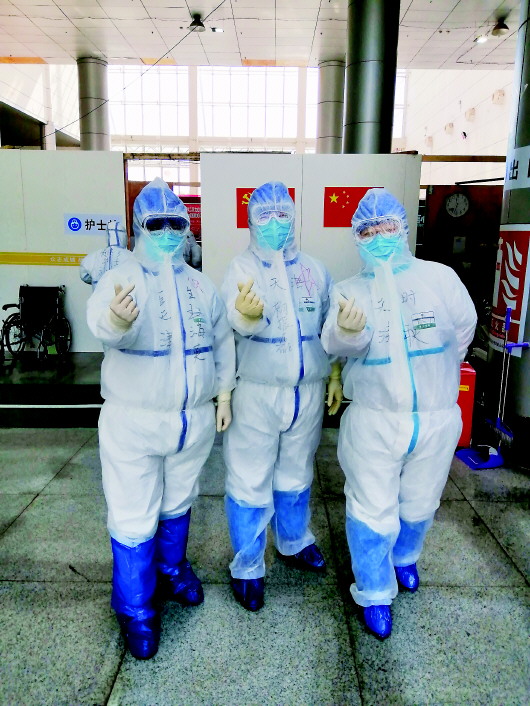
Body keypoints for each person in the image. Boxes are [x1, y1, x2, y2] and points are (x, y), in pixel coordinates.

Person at [86, 177, 235, 659]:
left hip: (191, 423)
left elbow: (221, 342)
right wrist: (117, 320)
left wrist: (224, 393)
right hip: (135, 424)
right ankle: (135, 608)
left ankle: (171, 572)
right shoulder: (122, 278)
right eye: (158, 223)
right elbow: (103, 324)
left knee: (178, 499)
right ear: (139, 227)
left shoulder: (200, 286)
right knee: (134, 513)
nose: (169, 232)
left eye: (176, 222)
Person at [321, 188, 477, 639]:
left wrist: (436, 373)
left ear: (403, 227)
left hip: (436, 416)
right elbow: (334, 343)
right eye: (368, 231)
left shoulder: (439, 278)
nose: (379, 236)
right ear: (357, 237)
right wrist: (348, 332)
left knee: (421, 498)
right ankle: (373, 591)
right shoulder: (348, 290)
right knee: (372, 506)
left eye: (387, 226)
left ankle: (404, 558)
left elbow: (463, 329)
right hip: (375, 420)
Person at [221, 180, 343, 612]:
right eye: (265, 216)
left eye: (282, 215)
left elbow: (331, 325)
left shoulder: (315, 270)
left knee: (296, 471)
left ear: (294, 217)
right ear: (251, 221)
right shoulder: (240, 268)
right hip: (257, 393)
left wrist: (334, 375)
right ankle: (248, 566)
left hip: (307, 393)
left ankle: (293, 541)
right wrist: (245, 315)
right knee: (249, 477)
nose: (275, 223)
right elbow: (230, 327)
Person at [79, 220, 135, 289]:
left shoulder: (92, 257)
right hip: (124, 294)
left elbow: (84, 276)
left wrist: (97, 280)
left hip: (99, 294)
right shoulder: (132, 257)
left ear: (107, 236)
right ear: (124, 236)